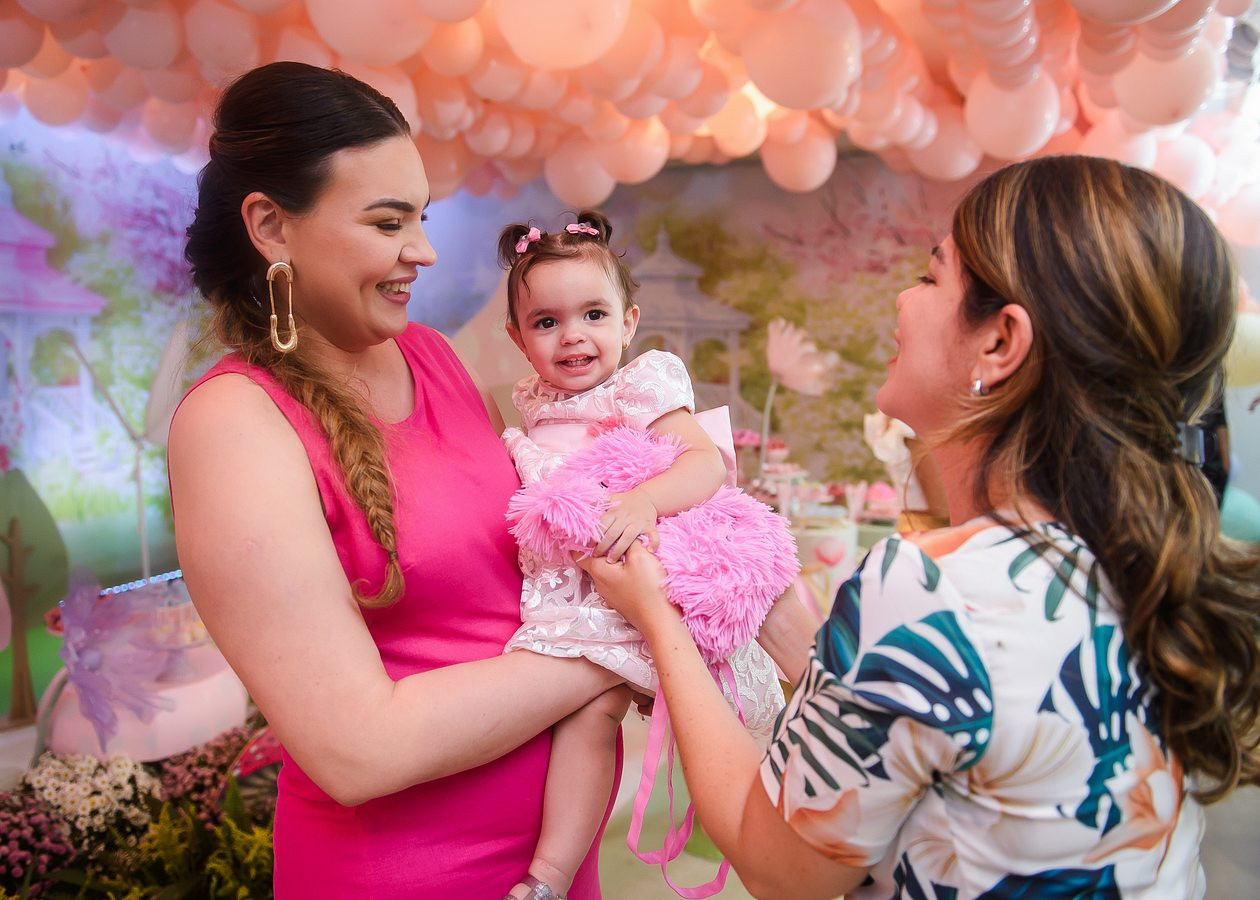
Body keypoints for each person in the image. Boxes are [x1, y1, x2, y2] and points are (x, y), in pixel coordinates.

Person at [580, 155, 1260, 898]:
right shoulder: (1133, 555)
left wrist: (658, 617)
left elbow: (777, 864)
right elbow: (932, 711)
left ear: (1000, 343)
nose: (904, 300)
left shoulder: (925, 585)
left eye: (931, 278)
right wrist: (781, 621)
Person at [168, 61, 625, 898]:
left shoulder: (433, 356)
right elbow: (357, 750)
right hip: (404, 871)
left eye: (420, 217)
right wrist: (621, 648)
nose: (424, 251)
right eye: (387, 222)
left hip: (552, 864)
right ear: (270, 225)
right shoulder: (233, 423)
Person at [496, 212, 789, 899]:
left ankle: (786, 825)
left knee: (717, 718)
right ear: (518, 338)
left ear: (628, 323)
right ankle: (550, 876)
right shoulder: (532, 405)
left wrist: (646, 501)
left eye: (593, 314)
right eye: (547, 322)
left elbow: (704, 464)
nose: (573, 335)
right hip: (583, 593)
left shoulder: (641, 386)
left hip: (654, 574)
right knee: (585, 720)